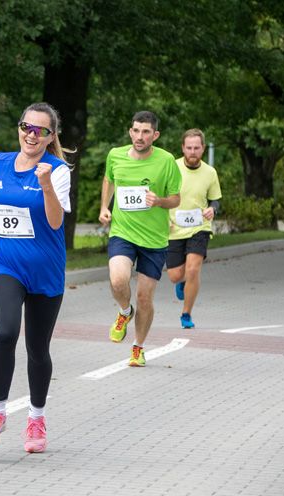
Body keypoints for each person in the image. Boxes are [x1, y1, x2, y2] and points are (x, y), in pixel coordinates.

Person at [0, 102, 71, 453]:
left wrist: (45, 186)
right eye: (26, 127)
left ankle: (36, 418)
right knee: (6, 332)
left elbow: (56, 222)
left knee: (37, 348)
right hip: (6, 265)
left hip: (45, 271)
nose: (31, 134)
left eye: (40, 130)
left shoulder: (56, 171)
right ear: (19, 128)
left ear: (50, 136)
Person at [99, 111, 181, 367]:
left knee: (145, 297)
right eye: (136, 130)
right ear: (130, 131)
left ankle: (138, 347)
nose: (140, 136)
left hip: (154, 239)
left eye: (146, 132)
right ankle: (125, 311)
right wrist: (104, 206)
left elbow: (176, 198)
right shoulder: (116, 155)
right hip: (123, 232)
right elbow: (109, 180)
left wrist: (159, 201)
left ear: (155, 135)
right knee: (118, 279)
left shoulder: (166, 161)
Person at [167, 128, 222, 329]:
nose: (192, 151)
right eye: (189, 148)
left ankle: (186, 314)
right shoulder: (171, 167)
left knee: (193, 269)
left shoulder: (210, 172)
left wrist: (212, 209)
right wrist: (165, 219)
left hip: (200, 227)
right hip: (174, 227)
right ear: (183, 148)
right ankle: (182, 282)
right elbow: (160, 195)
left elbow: (216, 200)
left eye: (196, 148)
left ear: (203, 148)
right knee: (174, 275)